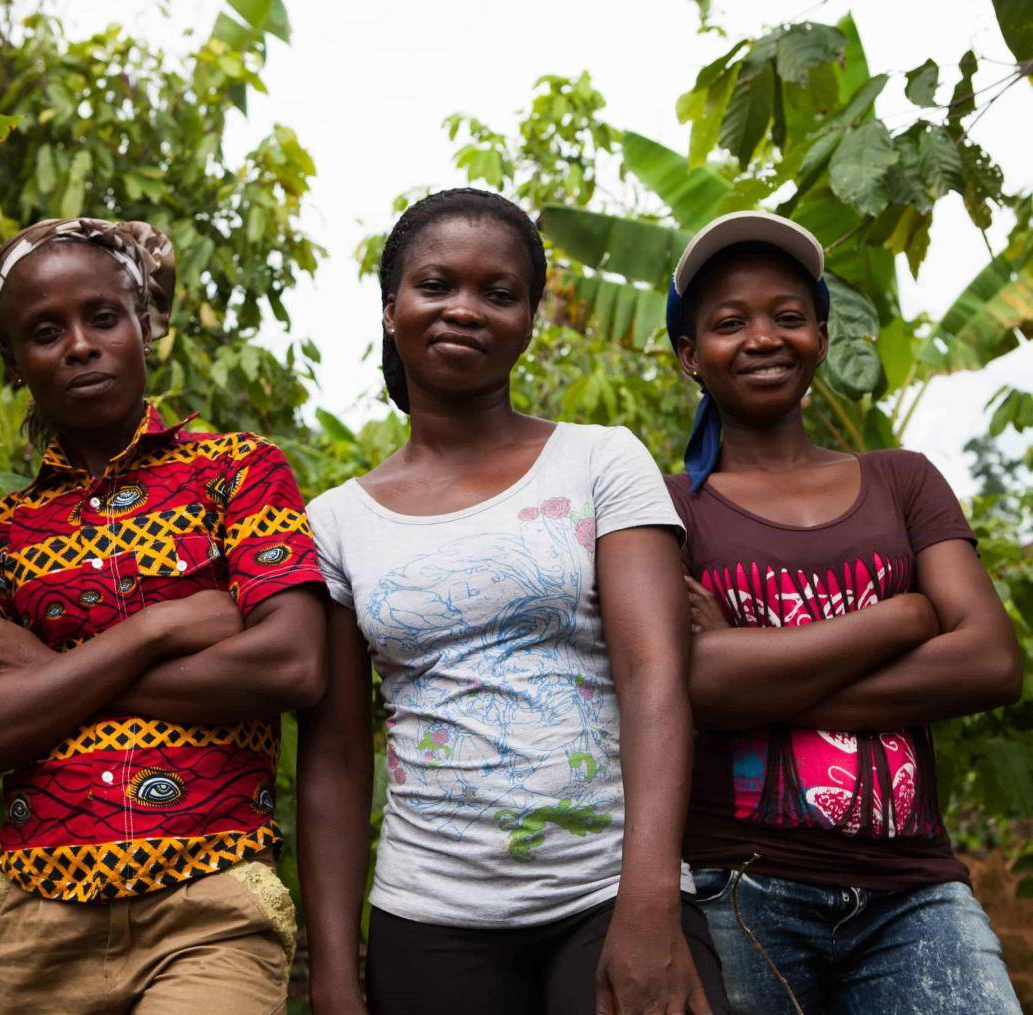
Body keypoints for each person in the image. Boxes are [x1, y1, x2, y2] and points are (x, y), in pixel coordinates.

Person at [298, 188, 730, 1015]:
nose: (465, 309)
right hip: (428, 916)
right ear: (392, 309)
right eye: (436, 285)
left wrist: (648, 909)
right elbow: (338, 758)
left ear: (530, 317)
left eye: (498, 293)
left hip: (609, 889)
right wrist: (333, 976)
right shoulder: (338, 521)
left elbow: (654, 677)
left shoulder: (601, 461)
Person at [0, 218, 326, 1014]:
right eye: (44, 330)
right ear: (14, 363)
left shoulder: (236, 474)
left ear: (143, 324)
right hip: (37, 922)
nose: (78, 344)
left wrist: (42, 668)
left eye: (102, 317)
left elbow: (292, 664)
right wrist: (157, 629)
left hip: (210, 906)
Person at [664, 210, 1023, 1014]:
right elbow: (694, 683)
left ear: (821, 337)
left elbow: (992, 662)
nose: (763, 337)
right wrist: (901, 619)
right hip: (740, 882)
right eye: (729, 323)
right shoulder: (668, 509)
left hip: (913, 888)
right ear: (689, 355)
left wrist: (756, 676)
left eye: (789, 317)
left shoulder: (903, 480)